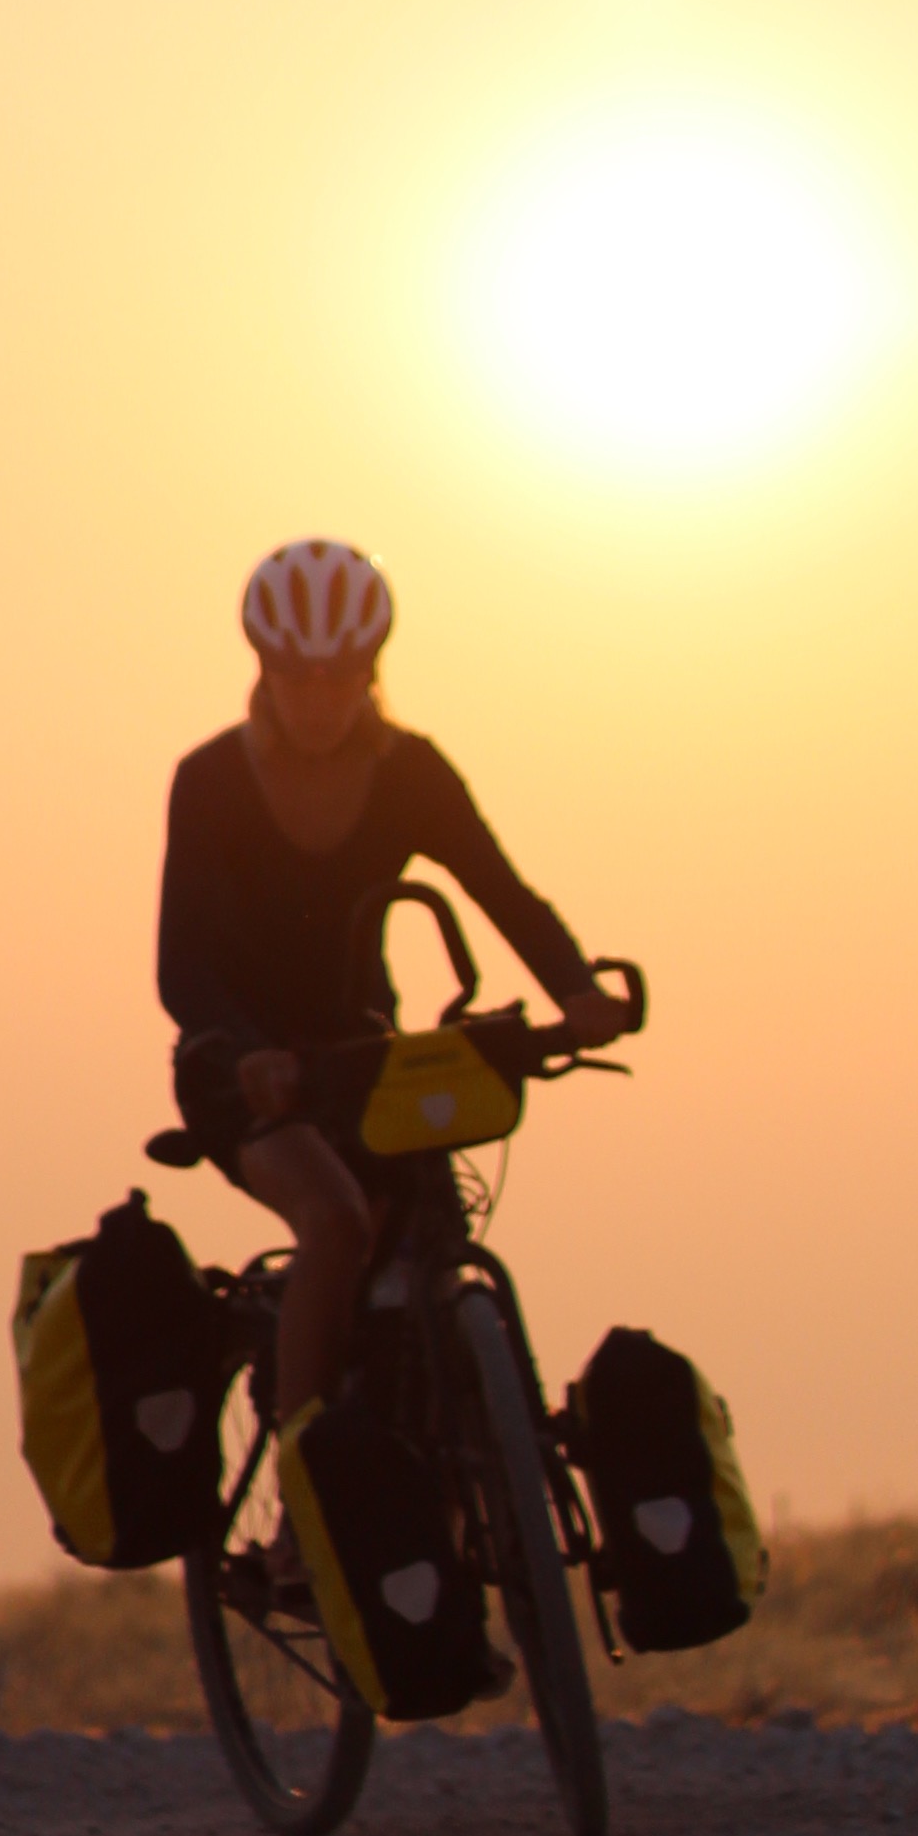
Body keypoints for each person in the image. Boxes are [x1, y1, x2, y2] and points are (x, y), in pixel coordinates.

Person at [158, 538, 634, 1420]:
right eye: (298, 679)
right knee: (336, 1221)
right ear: (264, 672)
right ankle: (307, 1466)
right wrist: (251, 1054)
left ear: (370, 672)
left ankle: (462, 1458)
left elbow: (501, 890)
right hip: (239, 1072)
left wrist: (577, 991)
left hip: (365, 1057)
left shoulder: (410, 774)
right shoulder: (210, 782)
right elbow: (181, 967)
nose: (319, 700)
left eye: (339, 678)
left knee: (427, 1236)